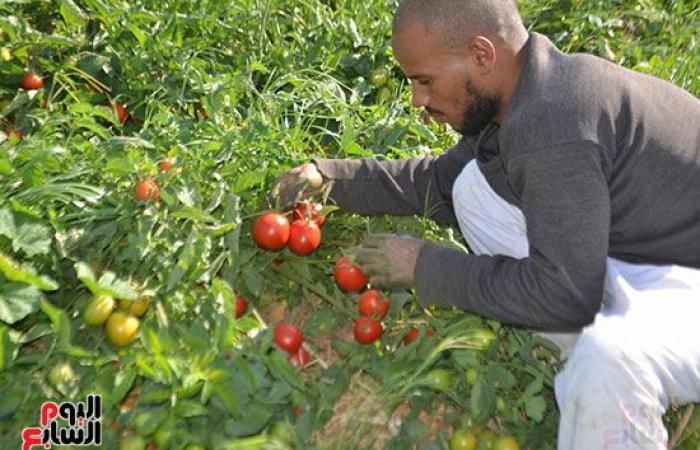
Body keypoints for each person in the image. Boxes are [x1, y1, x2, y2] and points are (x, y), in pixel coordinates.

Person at [272, 0, 700, 448]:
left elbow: (567, 296)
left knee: (608, 361)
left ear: (481, 55)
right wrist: (329, 178)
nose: (418, 99)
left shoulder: (557, 125)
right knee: (471, 188)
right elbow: (436, 182)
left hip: (684, 277)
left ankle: (621, 374)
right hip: (655, 252)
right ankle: (608, 342)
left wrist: (425, 266)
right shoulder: (526, 93)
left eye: (425, 80)